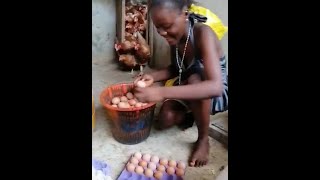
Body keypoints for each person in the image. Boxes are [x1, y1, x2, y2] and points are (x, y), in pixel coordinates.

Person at [133, 0, 228, 167]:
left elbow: (215, 87)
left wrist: (160, 93)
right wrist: (153, 77)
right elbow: (176, 68)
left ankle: (203, 139)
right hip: (188, 82)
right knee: (165, 120)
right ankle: (195, 114)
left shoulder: (202, 34)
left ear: (184, 14)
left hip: (215, 91)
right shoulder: (175, 38)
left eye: (167, 26)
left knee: (195, 78)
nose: (162, 33)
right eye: (158, 28)